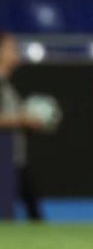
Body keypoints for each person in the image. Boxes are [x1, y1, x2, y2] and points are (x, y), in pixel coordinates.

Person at [0, 31, 53, 220]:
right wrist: (23, 119)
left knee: (29, 203)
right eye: (12, 48)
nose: (17, 53)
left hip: (13, 155)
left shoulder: (6, 84)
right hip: (4, 157)